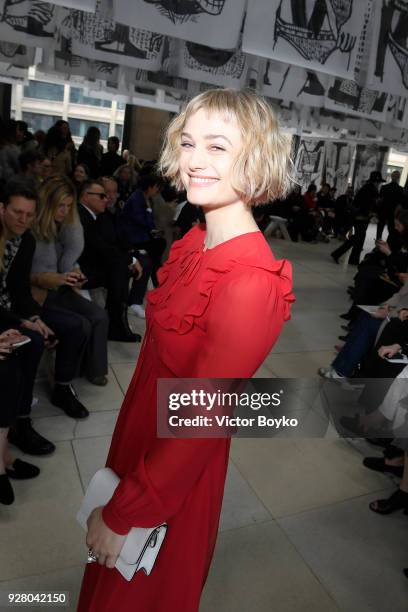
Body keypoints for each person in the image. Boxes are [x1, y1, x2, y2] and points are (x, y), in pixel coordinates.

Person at [78, 88, 294, 612]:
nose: (195, 160)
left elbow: (201, 423)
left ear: (257, 158)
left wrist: (125, 511)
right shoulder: (193, 241)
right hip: (139, 441)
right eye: (189, 142)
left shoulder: (250, 283)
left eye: (218, 147)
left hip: (171, 471)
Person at [31, 176, 109, 390]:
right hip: (40, 294)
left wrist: (75, 272)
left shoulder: (66, 226)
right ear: (48, 205)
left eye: (67, 206)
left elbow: (68, 259)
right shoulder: (33, 229)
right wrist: (60, 277)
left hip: (60, 289)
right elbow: (31, 275)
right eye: (60, 206)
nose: (65, 211)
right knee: (80, 323)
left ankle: (95, 371)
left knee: (99, 315)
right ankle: (65, 381)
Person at [0, 177, 55, 456]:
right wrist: (20, 321)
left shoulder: (26, 240)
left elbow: (20, 289)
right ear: (1, 209)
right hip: (3, 315)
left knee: (39, 336)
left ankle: (21, 422)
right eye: (17, 212)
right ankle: (14, 426)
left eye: (29, 215)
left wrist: (34, 316)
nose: (23, 219)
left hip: (9, 309)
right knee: (28, 341)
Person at [77, 180, 141, 342]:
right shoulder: (83, 216)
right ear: (85, 196)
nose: (106, 199)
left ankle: (117, 324)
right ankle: (116, 326)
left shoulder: (92, 216)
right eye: (101, 196)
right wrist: (130, 259)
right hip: (78, 270)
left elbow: (105, 245)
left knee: (121, 267)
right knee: (120, 269)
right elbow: (99, 247)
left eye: (108, 195)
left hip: (88, 264)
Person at [116, 173, 166, 287]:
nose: (157, 190)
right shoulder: (137, 198)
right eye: (156, 187)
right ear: (149, 187)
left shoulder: (144, 198)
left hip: (141, 234)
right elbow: (142, 221)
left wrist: (154, 230)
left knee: (160, 243)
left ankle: (156, 273)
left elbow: (148, 223)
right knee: (158, 245)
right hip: (132, 238)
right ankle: (155, 275)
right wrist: (148, 211)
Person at [331, 170, 385, 265]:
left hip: (360, 217)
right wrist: (371, 213)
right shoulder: (370, 190)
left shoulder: (367, 188)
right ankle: (337, 254)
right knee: (356, 238)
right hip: (360, 217)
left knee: (360, 238)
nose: (379, 184)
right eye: (379, 182)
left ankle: (354, 259)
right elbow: (365, 205)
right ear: (376, 182)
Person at [377, 170, 404, 248]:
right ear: (398, 178)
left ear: (391, 177)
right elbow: (400, 204)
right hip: (393, 213)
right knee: (392, 230)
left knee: (380, 228)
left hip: (383, 211)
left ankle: (378, 245)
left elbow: (380, 201)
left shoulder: (384, 187)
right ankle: (389, 246)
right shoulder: (400, 189)